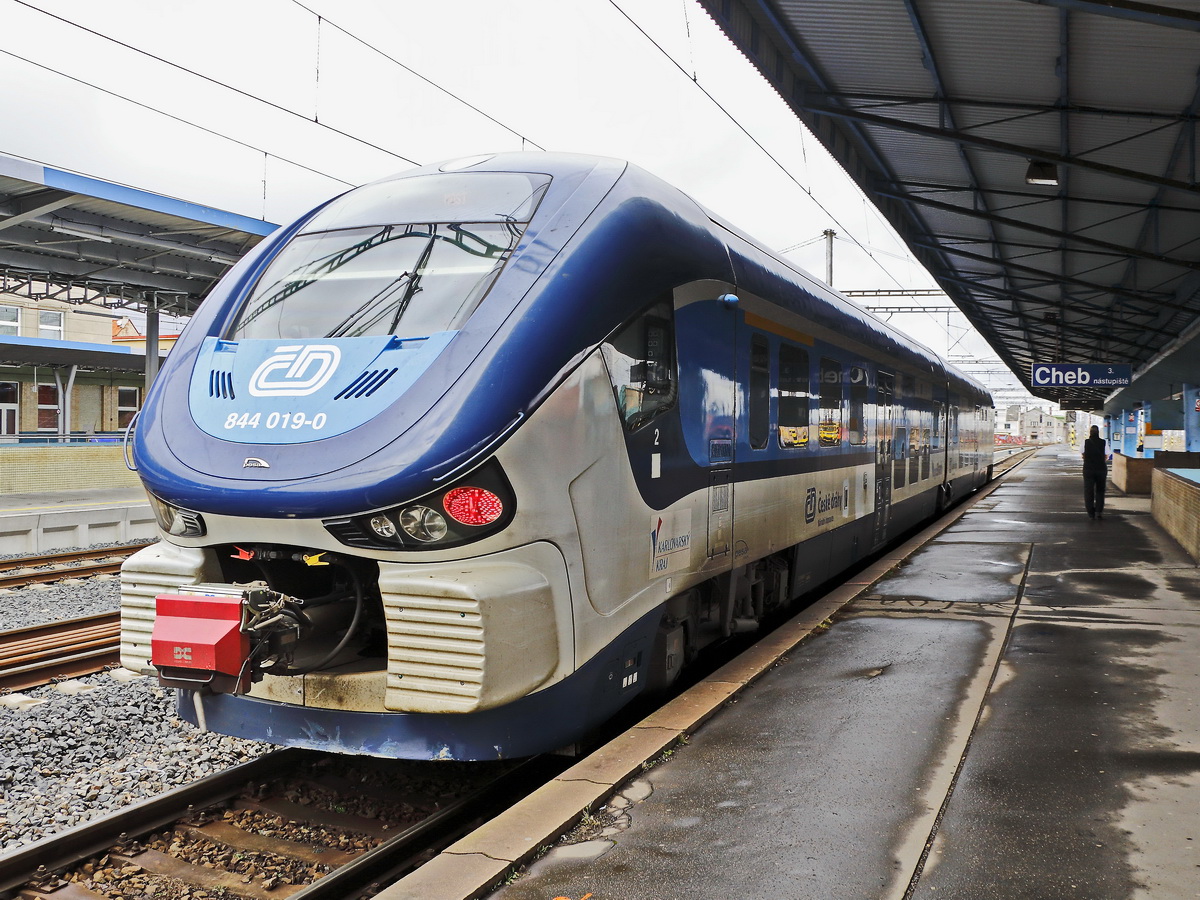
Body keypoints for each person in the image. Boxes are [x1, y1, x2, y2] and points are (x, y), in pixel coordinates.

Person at [1081, 424, 1108, 519]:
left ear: (1090, 432)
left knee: (1088, 491)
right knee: (1100, 490)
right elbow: (1107, 455)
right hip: (1101, 469)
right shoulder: (1104, 442)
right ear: (1098, 432)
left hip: (1088, 469)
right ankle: (1099, 511)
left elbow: (1083, 455)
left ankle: (1090, 513)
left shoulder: (1085, 442)